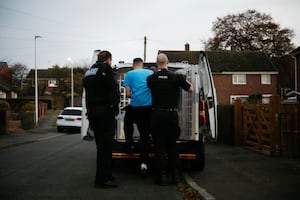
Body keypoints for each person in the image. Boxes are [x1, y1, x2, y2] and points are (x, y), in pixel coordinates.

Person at [147, 53, 194, 185]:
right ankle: (175, 176)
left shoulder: (151, 78)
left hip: (157, 115)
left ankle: (161, 177)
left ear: (157, 63)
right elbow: (191, 89)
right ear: (167, 62)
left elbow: (150, 87)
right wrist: (184, 80)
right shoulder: (176, 77)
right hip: (171, 115)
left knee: (159, 146)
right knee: (172, 146)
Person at [83, 50, 120, 188]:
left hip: (93, 113)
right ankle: (102, 180)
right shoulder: (107, 70)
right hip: (105, 114)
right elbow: (113, 91)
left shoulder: (89, 72)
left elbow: (88, 95)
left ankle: (106, 175)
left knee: (100, 147)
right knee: (107, 147)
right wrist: (115, 108)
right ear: (109, 59)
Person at [123, 57, 153, 176]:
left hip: (135, 107)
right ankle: (144, 164)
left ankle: (129, 144)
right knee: (144, 136)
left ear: (133, 65)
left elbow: (128, 94)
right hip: (148, 108)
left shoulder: (129, 74)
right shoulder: (150, 73)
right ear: (142, 65)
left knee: (127, 122)